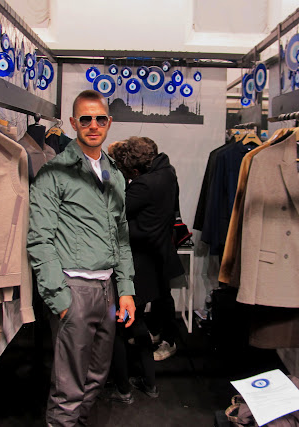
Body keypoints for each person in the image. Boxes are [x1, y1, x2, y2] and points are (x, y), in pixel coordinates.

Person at [27, 90, 136, 427]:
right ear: (74, 123)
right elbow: (39, 239)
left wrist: (126, 289)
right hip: (73, 289)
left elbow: (121, 234)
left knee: (96, 378)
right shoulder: (54, 172)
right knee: (68, 389)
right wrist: (59, 299)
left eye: (100, 119)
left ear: (109, 122)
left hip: (107, 291)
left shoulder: (114, 173)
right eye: (85, 119)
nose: (93, 125)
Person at [107, 136, 185, 403]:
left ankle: (123, 389)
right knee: (137, 322)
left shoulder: (143, 185)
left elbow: (114, 213)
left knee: (120, 326)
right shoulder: (167, 172)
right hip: (153, 260)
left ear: (134, 170)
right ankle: (149, 383)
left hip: (136, 262)